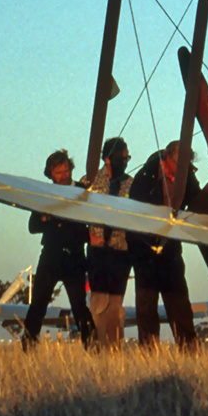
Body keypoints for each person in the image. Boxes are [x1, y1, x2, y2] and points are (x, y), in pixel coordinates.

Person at [129, 141, 201, 350]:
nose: (179, 173)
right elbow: (136, 210)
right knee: (146, 304)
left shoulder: (187, 176)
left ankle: (188, 347)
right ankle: (148, 351)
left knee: (178, 301)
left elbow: (196, 201)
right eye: (176, 168)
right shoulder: (146, 176)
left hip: (170, 247)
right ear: (167, 159)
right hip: (144, 247)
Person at [24, 149, 95, 349]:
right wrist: (54, 222)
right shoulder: (45, 193)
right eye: (58, 173)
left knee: (79, 305)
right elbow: (33, 226)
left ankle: (92, 346)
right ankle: (29, 344)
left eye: (66, 171)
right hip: (51, 255)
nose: (63, 176)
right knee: (38, 303)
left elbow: (88, 223)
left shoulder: (82, 191)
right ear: (50, 175)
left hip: (74, 255)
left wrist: (52, 219)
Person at [86, 137, 133, 350]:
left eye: (126, 158)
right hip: (97, 250)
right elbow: (79, 210)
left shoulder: (131, 184)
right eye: (120, 158)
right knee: (98, 303)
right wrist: (90, 235)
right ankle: (98, 346)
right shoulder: (91, 181)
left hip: (121, 250)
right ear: (107, 159)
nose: (124, 162)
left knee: (115, 305)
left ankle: (114, 349)